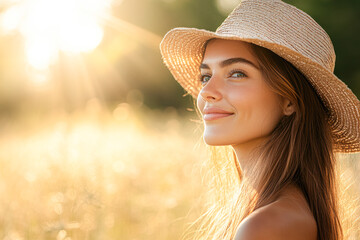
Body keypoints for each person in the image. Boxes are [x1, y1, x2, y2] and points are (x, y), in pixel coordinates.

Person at [160, 0, 360, 239]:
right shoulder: (272, 213)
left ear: (289, 101)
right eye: (205, 76)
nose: (206, 91)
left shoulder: (266, 225)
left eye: (237, 73)